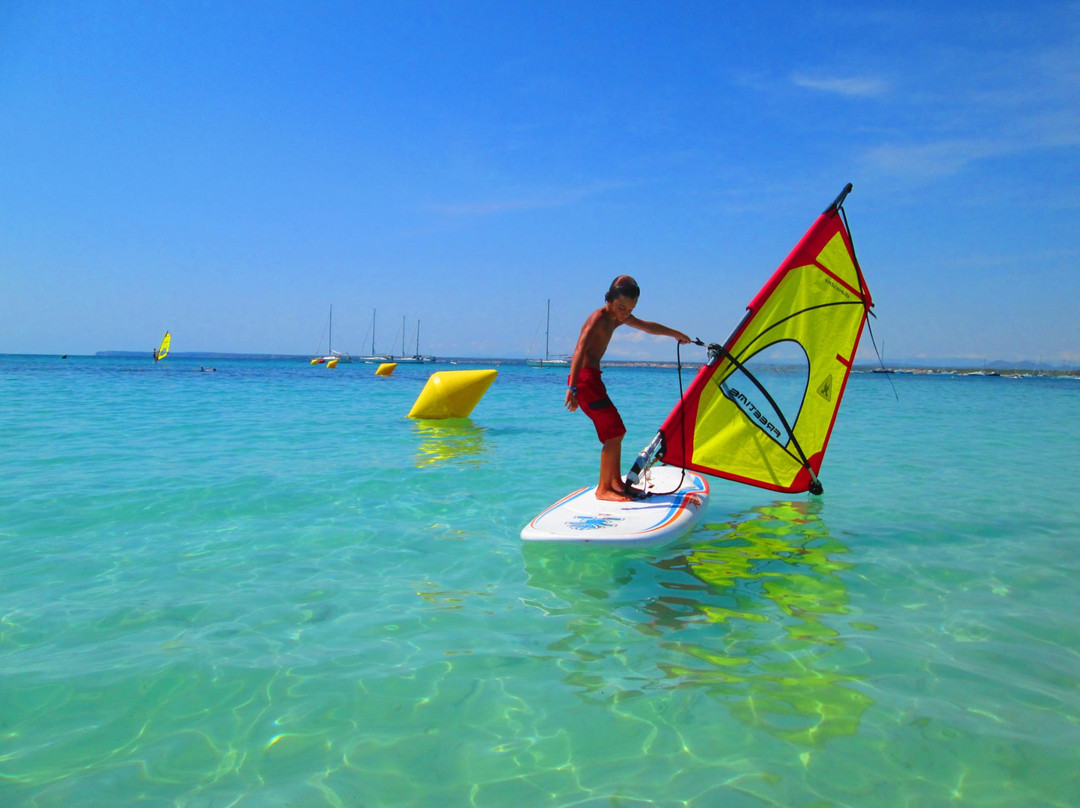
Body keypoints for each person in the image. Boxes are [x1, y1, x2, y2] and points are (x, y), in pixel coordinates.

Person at [566, 275, 691, 501]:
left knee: (617, 432)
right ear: (610, 299)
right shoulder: (599, 318)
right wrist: (572, 388)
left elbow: (646, 327)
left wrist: (676, 334)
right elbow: (579, 350)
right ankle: (603, 489)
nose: (625, 313)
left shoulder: (619, 317)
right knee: (614, 432)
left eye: (630, 309)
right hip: (584, 381)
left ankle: (616, 483)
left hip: (593, 379)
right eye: (621, 307)